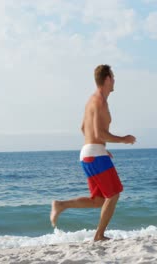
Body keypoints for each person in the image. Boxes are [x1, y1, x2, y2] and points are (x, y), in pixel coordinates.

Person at [50, 64, 136, 241]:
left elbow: (83, 127)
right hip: (94, 154)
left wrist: (100, 148)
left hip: (89, 153)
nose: (114, 80)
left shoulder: (92, 100)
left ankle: (60, 205)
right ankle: (99, 235)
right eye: (113, 77)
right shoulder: (99, 101)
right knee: (113, 194)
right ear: (106, 79)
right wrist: (122, 139)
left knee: (98, 200)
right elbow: (99, 133)